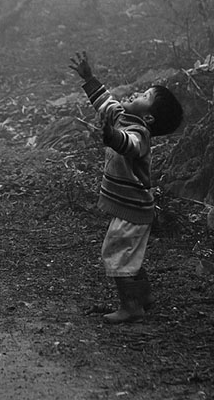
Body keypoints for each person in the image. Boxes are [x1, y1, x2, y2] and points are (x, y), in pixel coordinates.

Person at [69, 50, 183, 324]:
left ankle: (130, 305)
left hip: (133, 209)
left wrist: (110, 136)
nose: (136, 94)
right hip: (131, 207)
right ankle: (143, 297)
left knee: (115, 253)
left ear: (150, 119)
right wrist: (89, 78)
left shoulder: (140, 133)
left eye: (144, 97)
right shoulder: (122, 115)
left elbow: (128, 144)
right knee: (126, 253)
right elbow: (104, 101)